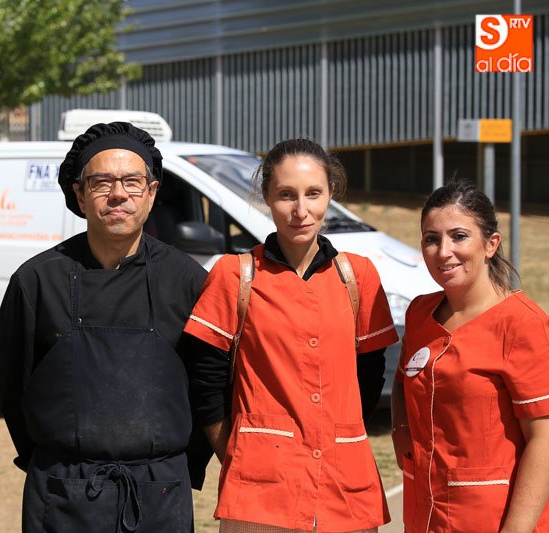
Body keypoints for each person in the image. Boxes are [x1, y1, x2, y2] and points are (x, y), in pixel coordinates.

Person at [0, 122, 211, 532]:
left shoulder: (189, 282)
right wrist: (56, 460)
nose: (118, 194)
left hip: (159, 495)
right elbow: (9, 386)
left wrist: (171, 463)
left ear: (153, 192)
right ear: (79, 193)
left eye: (132, 181)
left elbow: (209, 389)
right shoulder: (38, 281)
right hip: (63, 495)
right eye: (102, 182)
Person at [184, 138, 398, 532]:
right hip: (259, 496)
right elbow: (205, 381)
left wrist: (343, 434)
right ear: (266, 196)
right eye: (286, 195)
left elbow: (370, 372)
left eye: (313, 194)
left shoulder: (359, 276)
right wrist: (236, 453)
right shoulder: (235, 275)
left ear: (330, 194)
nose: (301, 210)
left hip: (346, 491)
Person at [391, 180, 549, 532]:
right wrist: (402, 434)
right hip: (424, 514)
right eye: (431, 239)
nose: (444, 251)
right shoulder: (420, 313)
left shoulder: (523, 324)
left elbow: (544, 439)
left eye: (459, 236)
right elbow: (403, 379)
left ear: (491, 244)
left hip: (492, 519)